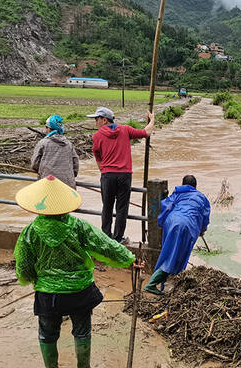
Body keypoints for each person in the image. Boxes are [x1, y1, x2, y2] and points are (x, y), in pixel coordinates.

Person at [13, 176, 136, 368]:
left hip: (48, 293)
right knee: (82, 331)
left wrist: (36, 280)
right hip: (79, 291)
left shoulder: (30, 232)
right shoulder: (78, 226)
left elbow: (24, 266)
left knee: (47, 333)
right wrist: (129, 259)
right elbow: (105, 244)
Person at [91, 106, 155, 243]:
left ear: (104, 120)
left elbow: (98, 158)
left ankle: (106, 238)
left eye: (96, 119)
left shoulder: (96, 136)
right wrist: (152, 119)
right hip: (124, 175)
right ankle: (118, 238)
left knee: (107, 207)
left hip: (108, 175)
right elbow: (146, 132)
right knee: (121, 208)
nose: (95, 122)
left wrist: (103, 172)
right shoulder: (125, 130)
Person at [144, 175, 211, 295]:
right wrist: (202, 230)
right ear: (195, 186)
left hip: (171, 221)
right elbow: (205, 216)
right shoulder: (201, 197)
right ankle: (152, 284)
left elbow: (166, 206)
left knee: (169, 252)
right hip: (186, 225)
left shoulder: (178, 193)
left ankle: (172, 281)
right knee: (176, 255)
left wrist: (161, 222)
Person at [30, 115, 79, 189]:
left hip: (48, 183)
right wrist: (70, 175)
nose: (45, 130)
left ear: (49, 129)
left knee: (49, 200)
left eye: (46, 127)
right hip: (67, 185)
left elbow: (34, 164)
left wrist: (42, 171)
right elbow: (75, 164)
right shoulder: (68, 144)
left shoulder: (43, 143)